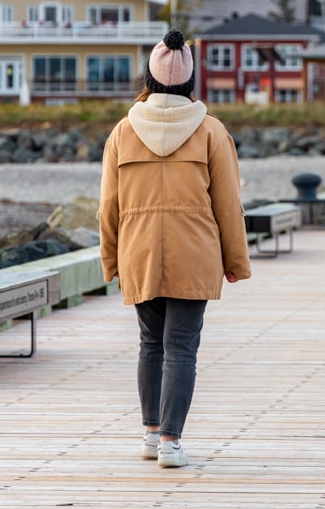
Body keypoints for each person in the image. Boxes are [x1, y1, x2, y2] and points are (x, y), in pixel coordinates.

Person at [99, 29, 251, 468]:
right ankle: (171, 442)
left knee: (151, 343)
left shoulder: (123, 131)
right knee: (181, 347)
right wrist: (235, 262)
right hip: (194, 253)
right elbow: (228, 205)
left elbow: (107, 205)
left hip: (138, 251)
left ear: (149, 76)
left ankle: (151, 435)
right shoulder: (210, 131)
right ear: (189, 81)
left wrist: (110, 260)